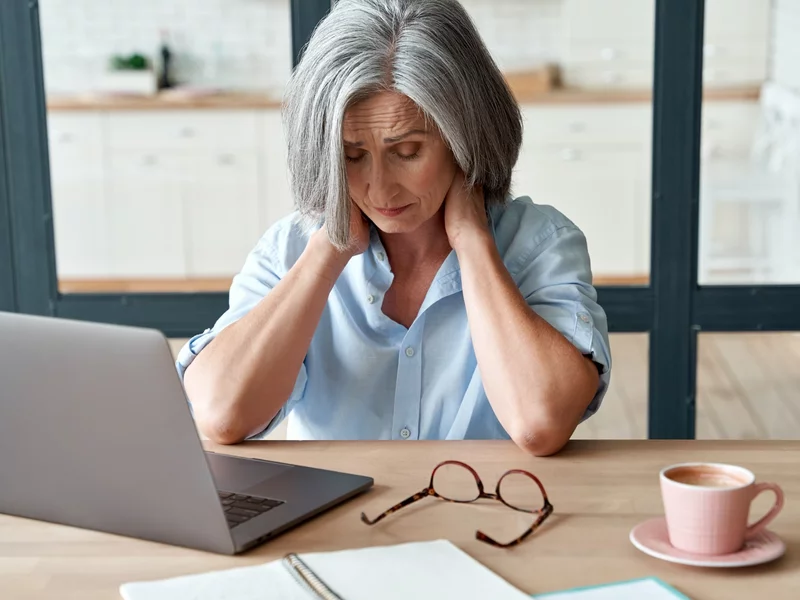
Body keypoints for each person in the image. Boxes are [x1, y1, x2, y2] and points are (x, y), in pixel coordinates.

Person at [177, 0, 611, 456]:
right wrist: (329, 250)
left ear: (465, 136)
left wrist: (473, 242)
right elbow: (223, 415)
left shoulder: (539, 244)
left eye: (407, 152)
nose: (379, 188)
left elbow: (540, 423)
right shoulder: (289, 251)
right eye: (351, 156)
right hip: (336, 524)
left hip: (488, 517)